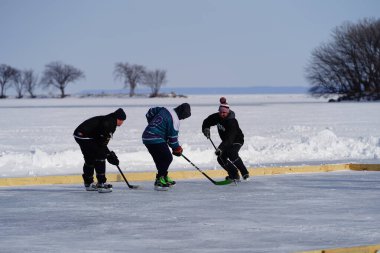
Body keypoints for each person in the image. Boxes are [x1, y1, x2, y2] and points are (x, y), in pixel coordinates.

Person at [73, 108, 126, 193]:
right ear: (117, 118)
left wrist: (109, 154)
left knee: (90, 158)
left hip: (80, 135)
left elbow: (102, 142)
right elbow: (101, 142)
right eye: (121, 120)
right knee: (100, 156)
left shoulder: (110, 120)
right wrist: (108, 155)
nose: (122, 122)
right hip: (84, 136)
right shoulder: (109, 123)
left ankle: (88, 183)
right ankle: (101, 184)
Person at [142, 103, 191, 191]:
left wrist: (152, 124)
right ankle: (159, 180)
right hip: (155, 138)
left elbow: (150, 112)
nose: (182, 118)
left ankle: (163, 176)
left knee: (160, 159)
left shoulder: (165, 109)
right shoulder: (175, 120)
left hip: (146, 136)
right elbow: (172, 138)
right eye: (184, 117)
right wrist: (177, 149)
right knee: (168, 158)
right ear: (181, 113)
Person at [202, 97, 249, 182]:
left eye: (224, 112)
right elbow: (207, 121)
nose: (222, 114)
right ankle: (234, 174)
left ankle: (244, 173)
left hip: (236, 140)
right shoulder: (216, 117)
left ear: (228, 112)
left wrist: (220, 148)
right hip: (226, 142)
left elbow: (230, 138)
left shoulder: (232, 121)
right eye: (220, 112)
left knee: (232, 153)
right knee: (220, 158)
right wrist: (206, 129)